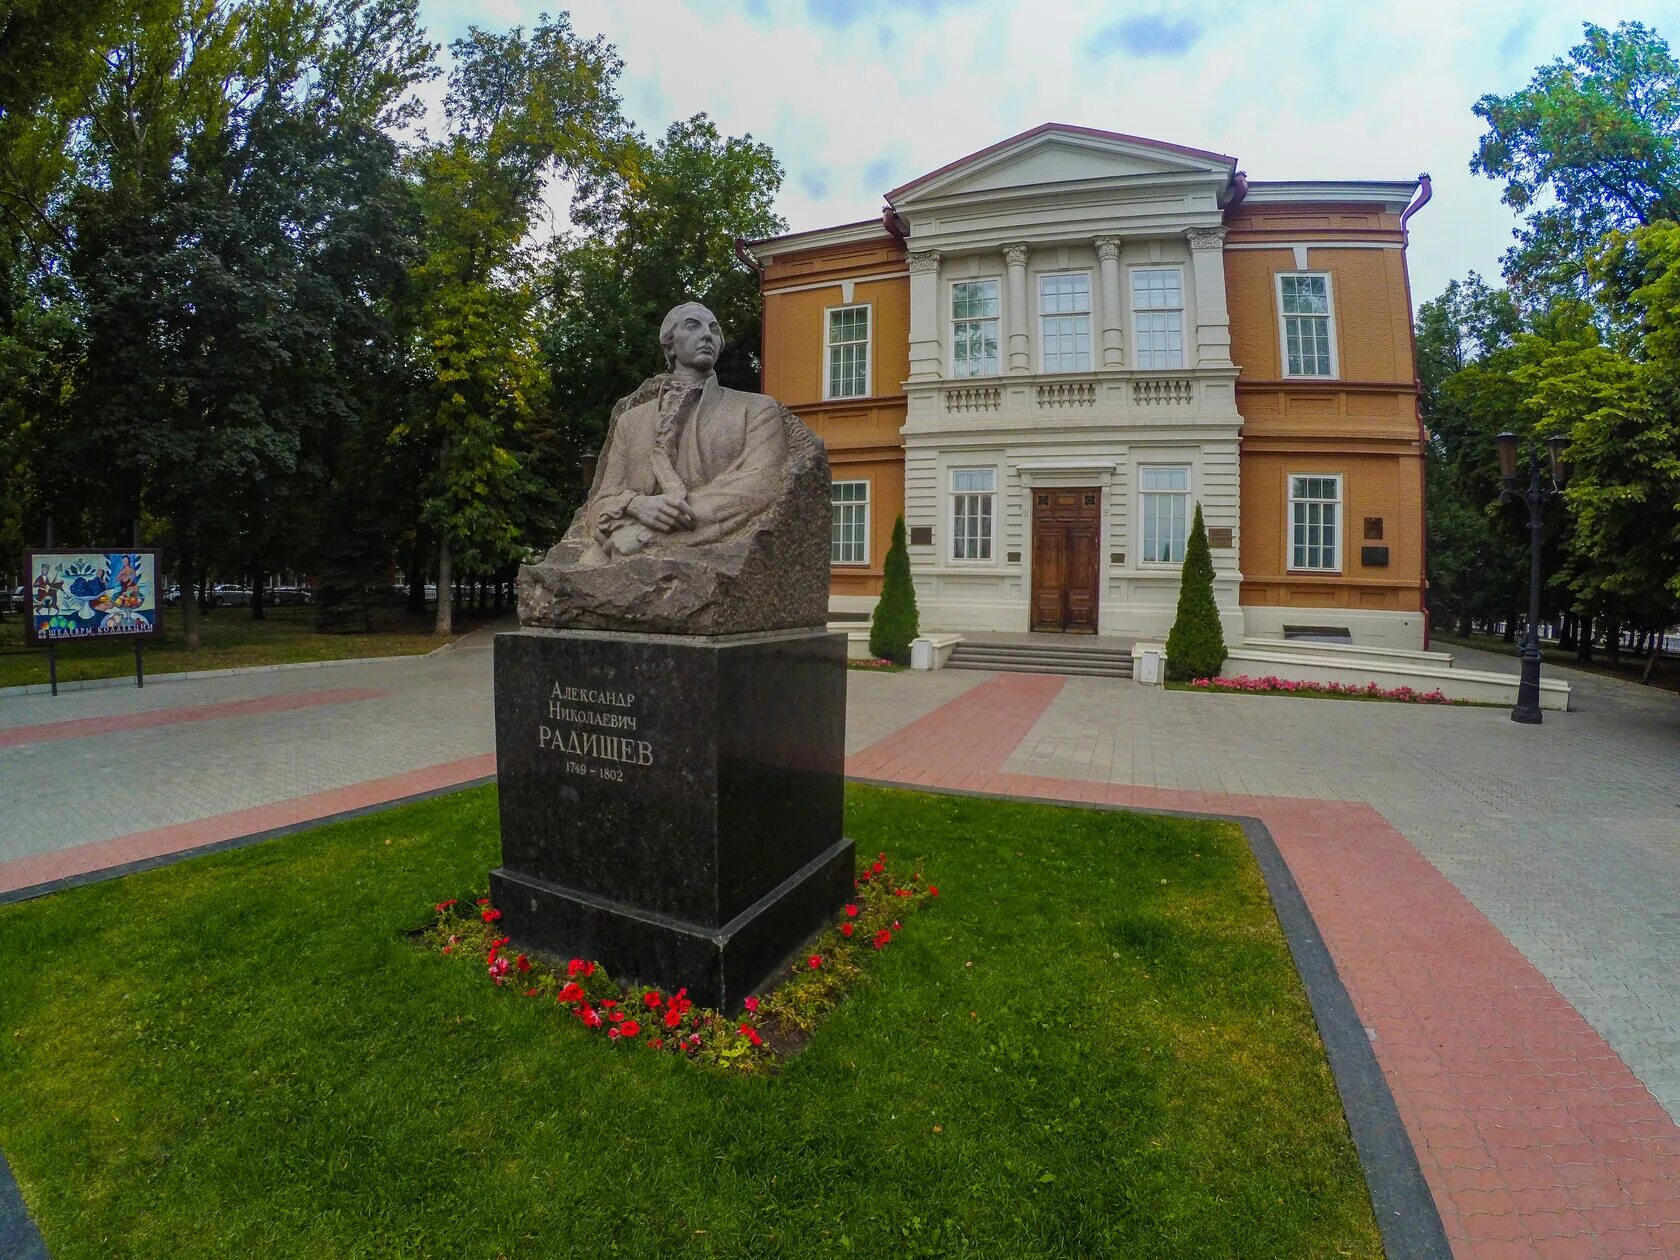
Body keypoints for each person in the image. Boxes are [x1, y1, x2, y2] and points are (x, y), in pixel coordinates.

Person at [582, 301, 787, 565]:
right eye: (693, 326)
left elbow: (759, 487)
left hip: (695, 557)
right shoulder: (631, 421)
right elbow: (601, 502)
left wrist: (650, 532)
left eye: (714, 330)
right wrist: (634, 505)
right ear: (669, 344)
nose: (707, 335)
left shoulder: (756, 409)